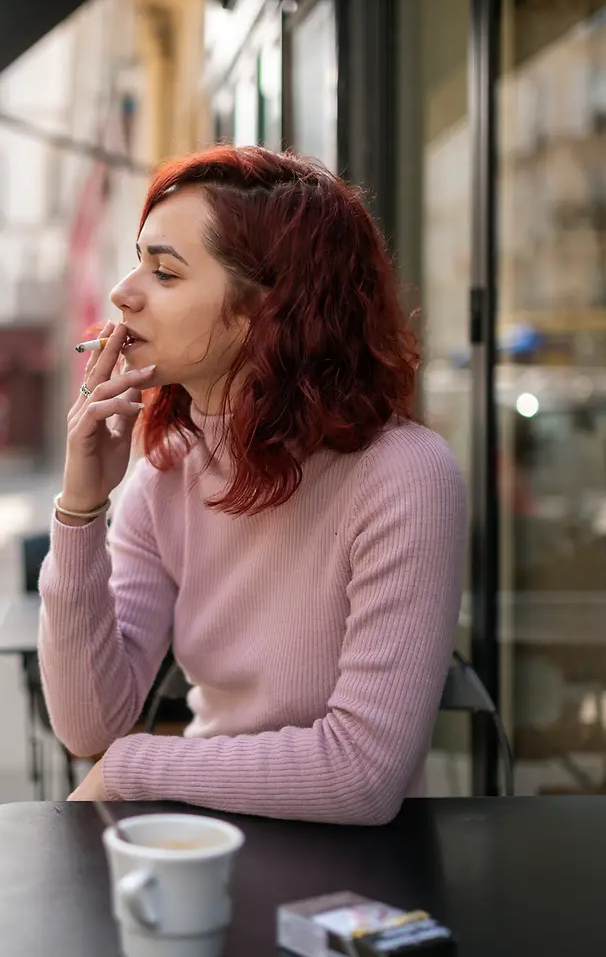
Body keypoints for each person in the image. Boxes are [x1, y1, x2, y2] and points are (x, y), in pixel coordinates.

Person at [37, 146, 467, 825]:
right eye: (137, 260)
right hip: (199, 842)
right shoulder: (167, 472)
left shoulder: (405, 476)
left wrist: (132, 769)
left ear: (266, 312)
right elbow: (89, 724)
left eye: (165, 272)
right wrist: (82, 509)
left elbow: (361, 774)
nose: (124, 293)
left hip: (355, 877)